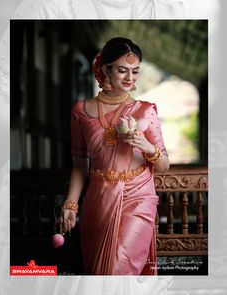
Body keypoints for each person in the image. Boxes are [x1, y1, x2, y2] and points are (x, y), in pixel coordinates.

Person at [60, 37, 169, 275]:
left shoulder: (145, 110)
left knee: (118, 269)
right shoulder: (80, 111)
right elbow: (80, 166)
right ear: (105, 69)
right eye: (122, 70)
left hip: (137, 197)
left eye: (135, 71)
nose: (130, 78)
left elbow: (163, 166)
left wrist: (147, 147)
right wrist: (71, 204)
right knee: (99, 273)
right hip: (98, 200)